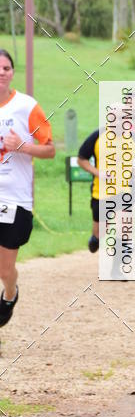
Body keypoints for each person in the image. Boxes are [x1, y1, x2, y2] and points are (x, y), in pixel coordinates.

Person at [0, 49, 55, 334]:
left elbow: (50, 150)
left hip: (14, 200)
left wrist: (21, 146)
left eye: (6, 68)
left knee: (5, 271)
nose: (1, 72)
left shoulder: (26, 106)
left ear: (12, 73)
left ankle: (10, 293)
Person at [78, 128, 135, 254]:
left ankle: (117, 269)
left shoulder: (134, 138)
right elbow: (81, 159)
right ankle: (96, 239)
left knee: (122, 228)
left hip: (125, 191)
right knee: (100, 233)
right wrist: (98, 173)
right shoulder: (98, 136)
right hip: (101, 192)